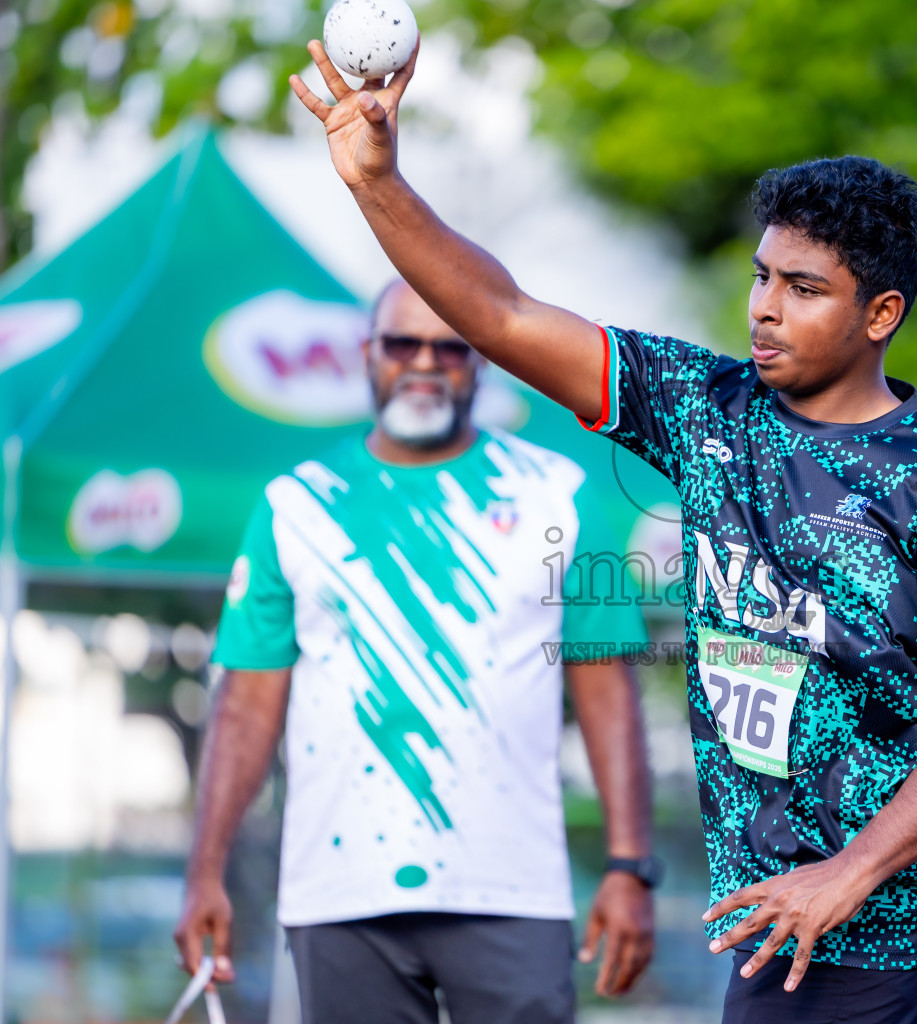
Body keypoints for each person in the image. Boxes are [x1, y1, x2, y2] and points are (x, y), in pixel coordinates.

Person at [289, 40, 917, 1024]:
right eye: (764, 276)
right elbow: (505, 316)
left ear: (881, 314)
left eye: (804, 290)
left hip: (880, 916)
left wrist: (847, 874)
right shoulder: (708, 407)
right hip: (771, 911)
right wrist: (379, 183)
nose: (765, 308)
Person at [173, 280, 659, 1024]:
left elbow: (606, 686)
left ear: (482, 361)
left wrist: (630, 866)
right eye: (404, 343)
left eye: (451, 346)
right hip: (342, 892)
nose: (426, 363)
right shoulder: (295, 504)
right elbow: (244, 704)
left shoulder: (557, 495)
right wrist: (204, 872)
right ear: (369, 355)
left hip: (511, 889)